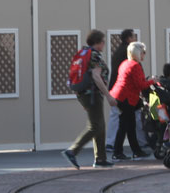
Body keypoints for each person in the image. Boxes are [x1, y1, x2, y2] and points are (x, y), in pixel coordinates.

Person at [61, 30, 116, 170]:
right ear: (98, 42)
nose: (104, 44)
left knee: (100, 125)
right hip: (92, 94)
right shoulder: (95, 55)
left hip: (85, 94)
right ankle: (72, 151)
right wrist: (108, 95)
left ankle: (101, 159)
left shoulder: (85, 53)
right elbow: (97, 77)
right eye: (103, 41)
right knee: (95, 126)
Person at [109, 41, 153, 161]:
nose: (144, 55)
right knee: (125, 125)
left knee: (129, 125)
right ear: (138, 53)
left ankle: (134, 151)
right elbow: (141, 85)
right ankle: (119, 152)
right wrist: (153, 81)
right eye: (143, 52)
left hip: (118, 96)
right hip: (126, 98)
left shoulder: (125, 63)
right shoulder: (135, 66)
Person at [106, 28, 136, 154]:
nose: (135, 39)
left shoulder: (118, 50)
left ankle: (110, 142)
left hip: (114, 87)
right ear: (129, 38)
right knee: (126, 117)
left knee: (116, 115)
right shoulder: (127, 51)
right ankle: (114, 144)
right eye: (133, 37)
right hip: (121, 89)